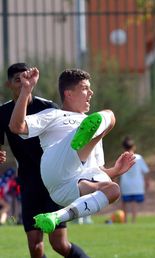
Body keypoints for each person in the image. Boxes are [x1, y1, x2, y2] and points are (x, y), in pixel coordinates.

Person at [9, 67, 135, 235]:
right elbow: (16, 127)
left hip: (69, 190)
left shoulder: (92, 124)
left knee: (113, 190)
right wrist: (26, 91)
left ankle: (56, 217)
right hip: (56, 166)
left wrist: (116, 171)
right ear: (68, 93)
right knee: (109, 115)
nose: (91, 93)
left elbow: (95, 170)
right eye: (85, 88)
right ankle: (79, 139)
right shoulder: (53, 115)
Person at [0, 63, 89, 257]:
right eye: (17, 80)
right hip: (28, 181)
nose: (23, 83)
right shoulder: (3, 113)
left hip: (52, 179)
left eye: (26, 78)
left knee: (59, 244)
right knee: (35, 247)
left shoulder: (47, 107)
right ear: (9, 85)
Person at [119, 136, 150, 223]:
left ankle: (125, 220)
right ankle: (133, 220)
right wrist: (147, 181)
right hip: (137, 184)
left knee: (124, 202)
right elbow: (146, 171)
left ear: (123, 147)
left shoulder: (122, 158)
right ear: (134, 146)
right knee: (134, 202)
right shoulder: (138, 158)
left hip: (125, 184)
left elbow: (118, 171)